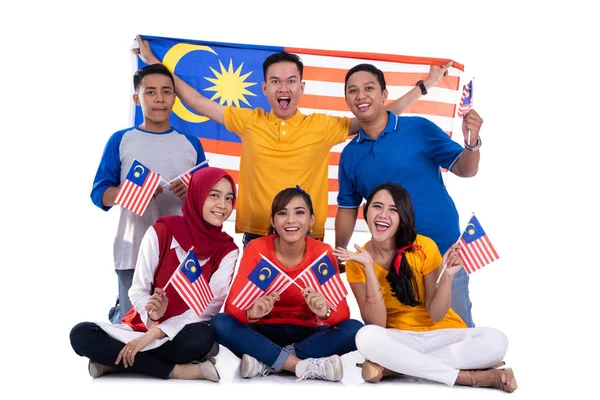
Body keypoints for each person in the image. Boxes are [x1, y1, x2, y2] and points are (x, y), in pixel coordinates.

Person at [133, 35, 450, 248]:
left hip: (308, 237)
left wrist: (425, 86)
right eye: (275, 81)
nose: (283, 87)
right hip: (258, 235)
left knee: (307, 320)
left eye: (290, 81)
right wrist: (154, 64)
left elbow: (377, 113)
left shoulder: (321, 126)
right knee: (260, 319)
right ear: (266, 88)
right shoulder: (249, 120)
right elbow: (198, 102)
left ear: (301, 87)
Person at [335, 63, 483, 327]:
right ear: (346, 99)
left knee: (460, 336)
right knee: (404, 340)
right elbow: (347, 208)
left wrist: (471, 142)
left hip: (442, 250)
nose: (361, 96)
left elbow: (465, 169)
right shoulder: (349, 156)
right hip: (394, 264)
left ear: (383, 94)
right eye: (353, 91)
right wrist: (340, 250)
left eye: (369, 88)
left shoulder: (419, 129)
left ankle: (480, 370)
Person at [332, 183, 517, 392]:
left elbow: (436, 314)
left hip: (442, 335)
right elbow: (377, 322)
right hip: (400, 339)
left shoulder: (425, 247)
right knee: (364, 337)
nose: (383, 214)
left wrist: (446, 277)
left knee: (497, 341)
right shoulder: (357, 261)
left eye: (393, 209)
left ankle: (397, 368)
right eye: (377, 206)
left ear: (403, 216)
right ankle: (468, 377)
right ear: (365, 211)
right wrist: (368, 268)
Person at [71, 167, 239, 382]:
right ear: (197, 194)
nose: (222, 205)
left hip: (181, 332)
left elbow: (208, 308)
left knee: (202, 338)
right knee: (81, 334)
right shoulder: (162, 231)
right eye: (213, 195)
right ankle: (176, 371)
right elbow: (139, 289)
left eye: (228, 198)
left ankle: (114, 364)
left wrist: (155, 334)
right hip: (141, 326)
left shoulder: (228, 250)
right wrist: (153, 316)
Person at [91, 63, 207, 324]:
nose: (159, 99)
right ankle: (118, 321)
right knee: (132, 324)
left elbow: (211, 198)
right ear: (137, 98)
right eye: (150, 92)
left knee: (177, 324)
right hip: (133, 248)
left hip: (180, 251)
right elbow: (99, 194)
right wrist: (129, 193)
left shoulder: (191, 144)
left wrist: (192, 194)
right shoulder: (121, 140)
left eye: (166, 92)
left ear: (175, 98)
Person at [210, 186, 363, 382]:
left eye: (299, 212)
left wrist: (324, 311)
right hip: (263, 332)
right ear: (273, 221)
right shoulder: (258, 249)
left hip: (308, 335)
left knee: (354, 329)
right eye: (283, 213)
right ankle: (299, 365)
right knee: (220, 323)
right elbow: (232, 309)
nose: (291, 220)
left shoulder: (322, 253)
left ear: (311, 220)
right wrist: (252, 313)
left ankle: (267, 361)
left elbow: (342, 315)